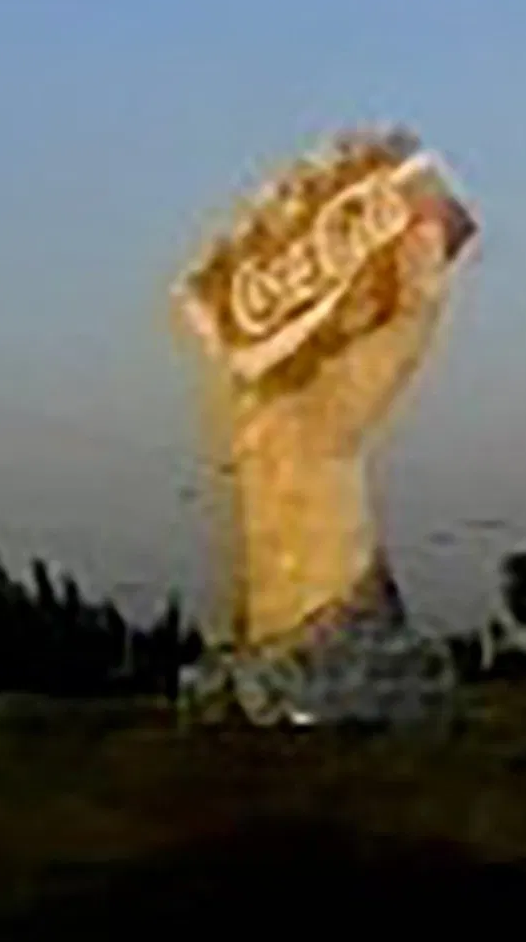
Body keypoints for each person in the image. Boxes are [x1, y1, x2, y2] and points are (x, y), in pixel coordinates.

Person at [170, 127, 478, 725]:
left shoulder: (326, 402)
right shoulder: (271, 405)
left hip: (331, 642)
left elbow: (413, 291)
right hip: (277, 647)